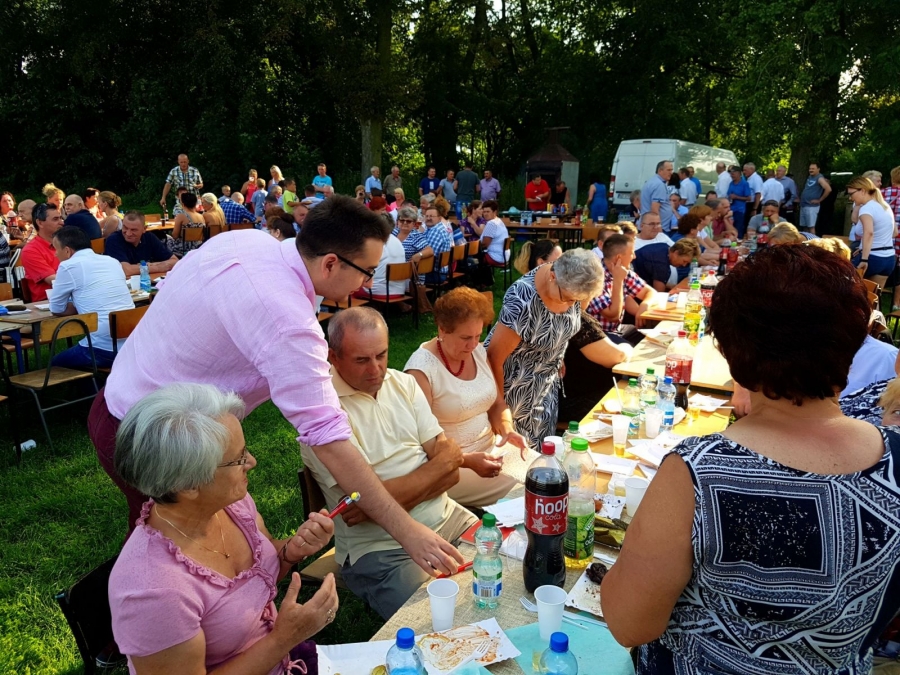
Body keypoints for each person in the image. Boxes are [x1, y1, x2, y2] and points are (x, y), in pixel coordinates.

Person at [89, 195, 464, 575]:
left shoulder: (249, 241)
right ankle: (126, 608)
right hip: (149, 435)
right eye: (366, 271)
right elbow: (329, 439)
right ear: (330, 263)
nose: (368, 281)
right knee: (172, 555)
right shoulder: (286, 320)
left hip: (131, 404)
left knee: (201, 543)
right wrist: (407, 531)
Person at [601, 245, 900, 675]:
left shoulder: (699, 472)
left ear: (730, 352)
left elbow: (629, 624)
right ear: (854, 339)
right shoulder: (895, 459)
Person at [109, 384, 339, 675]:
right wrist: (286, 638)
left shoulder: (231, 505)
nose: (252, 462)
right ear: (188, 484)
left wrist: (292, 550)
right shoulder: (153, 591)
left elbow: (261, 575)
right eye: (238, 458)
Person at [300, 308, 475, 618]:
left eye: (381, 355)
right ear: (333, 357)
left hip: (450, 518)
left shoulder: (403, 384)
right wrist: (437, 470)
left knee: (507, 567)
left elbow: (452, 472)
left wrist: (381, 498)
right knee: (441, 618)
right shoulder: (322, 418)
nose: (376, 369)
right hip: (383, 550)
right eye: (361, 360)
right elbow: (360, 509)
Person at [405, 287, 525, 507]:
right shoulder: (421, 371)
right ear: (442, 330)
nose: (473, 345)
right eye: (465, 338)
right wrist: (468, 461)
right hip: (453, 465)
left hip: (492, 449)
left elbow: (497, 404)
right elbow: (422, 441)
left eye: (478, 336)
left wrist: (507, 429)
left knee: (547, 470)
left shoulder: (477, 352)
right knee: (531, 488)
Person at [485, 248, 605, 448]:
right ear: (553, 277)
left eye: (576, 301)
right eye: (567, 298)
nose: (571, 306)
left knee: (544, 451)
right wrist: (499, 406)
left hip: (547, 386)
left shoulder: (574, 285)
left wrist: (557, 351)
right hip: (514, 389)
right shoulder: (523, 300)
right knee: (520, 453)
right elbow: (493, 358)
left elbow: (562, 325)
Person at [48, 227, 135, 369]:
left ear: (67, 251)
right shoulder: (112, 261)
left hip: (102, 347)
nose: (55, 254)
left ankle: (92, 382)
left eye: (56, 249)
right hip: (132, 344)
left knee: (54, 365)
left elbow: (56, 308)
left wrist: (77, 306)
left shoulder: (68, 266)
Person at [586, 234, 657, 344]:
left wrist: (644, 305)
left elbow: (651, 292)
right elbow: (613, 316)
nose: (634, 256)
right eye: (632, 253)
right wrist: (618, 280)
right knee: (633, 349)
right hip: (597, 334)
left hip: (616, 329)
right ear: (618, 258)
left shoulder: (623, 271)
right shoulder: (594, 277)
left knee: (652, 340)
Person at [849, 176, 897, 288]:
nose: (850, 198)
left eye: (851, 194)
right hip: (889, 258)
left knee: (843, 287)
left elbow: (869, 233)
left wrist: (864, 258)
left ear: (862, 191)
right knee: (873, 296)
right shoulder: (885, 206)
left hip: (872, 258)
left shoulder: (866, 208)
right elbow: (894, 232)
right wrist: (864, 247)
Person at [104, 212, 179, 276]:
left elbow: (175, 261)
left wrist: (144, 267)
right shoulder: (114, 240)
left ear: (144, 229)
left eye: (133, 230)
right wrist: (157, 267)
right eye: (125, 228)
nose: (128, 233)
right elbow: (127, 270)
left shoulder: (149, 237)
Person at [20, 203, 63, 301]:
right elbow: (53, 280)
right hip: (47, 302)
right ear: (40, 223)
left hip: (71, 297)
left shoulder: (67, 243)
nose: (61, 222)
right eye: (55, 219)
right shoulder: (30, 250)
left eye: (61, 218)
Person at [633, 238, 701, 292]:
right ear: (676, 253)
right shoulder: (661, 262)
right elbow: (659, 294)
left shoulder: (664, 247)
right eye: (684, 261)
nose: (684, 265)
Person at [169, 193, 206, 257]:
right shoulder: (201, 216)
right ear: (195, 203)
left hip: (183, 249)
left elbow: (175, 236)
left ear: (183, 204)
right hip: (198, 247)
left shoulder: (181, 216)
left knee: (164, 239)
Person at [640, 161, 674, 229]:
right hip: (657, 228)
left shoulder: (652, 181)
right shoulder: (659, 185)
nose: (671, 173)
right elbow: (654, 209)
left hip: (649, 225)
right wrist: (658, 227)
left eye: (671, 170)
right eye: (668, 170)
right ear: (660, 170)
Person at [799, 162, 832, 233]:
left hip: (811, 206)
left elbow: (828, 189)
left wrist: (819, 200)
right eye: (810, 168)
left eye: (813, 169)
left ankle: (813, 240)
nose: (811, 170)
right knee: (805, 226)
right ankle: (806, 239)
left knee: (811, 227)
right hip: (804, 205)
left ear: (818, 169)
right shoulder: (810, 177)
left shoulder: (819, 178)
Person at [479, 200, 509, 266]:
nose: (485, 214)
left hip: (494, 257)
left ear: (495, 212)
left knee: (468, 258)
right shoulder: (499, 221)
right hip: (504, 257)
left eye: (488, 212)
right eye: (484, 212)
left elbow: (485, 244)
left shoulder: (491, 223)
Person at [725, 165, 753, 238]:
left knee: (738, 229)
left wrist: (736, 197)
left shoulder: (744, 184)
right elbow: (728, 194)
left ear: (739, 173)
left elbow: (749, 198)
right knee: (730, 229)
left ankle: (738, 242)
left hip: (740, 211)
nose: (732, 176)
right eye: (731, 174)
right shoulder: (731, 183)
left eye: (733, 174)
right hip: (730, 210)